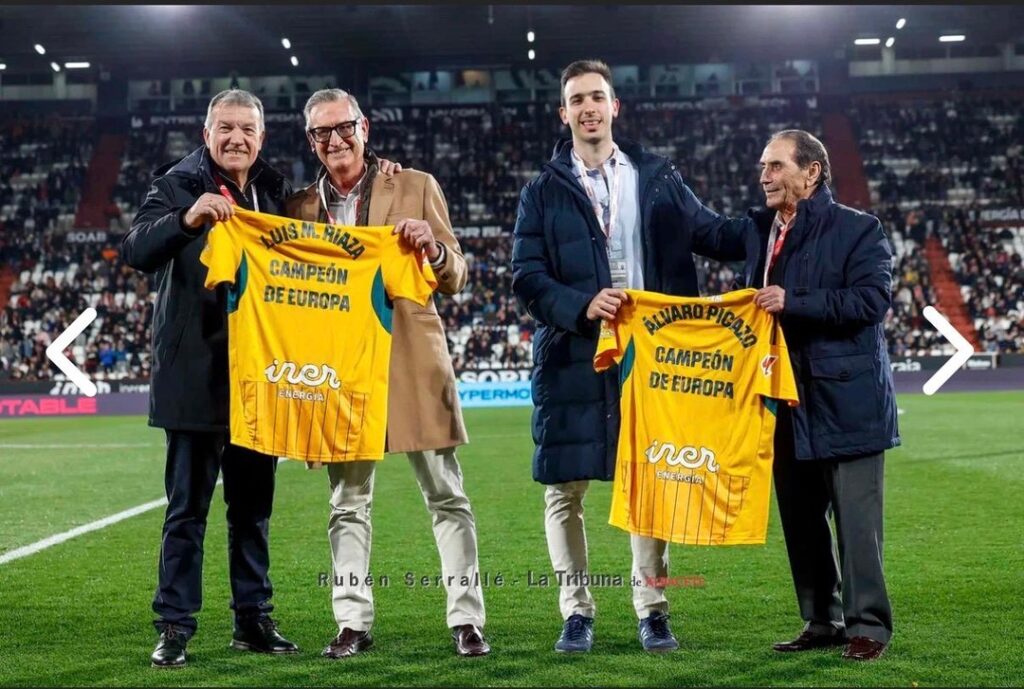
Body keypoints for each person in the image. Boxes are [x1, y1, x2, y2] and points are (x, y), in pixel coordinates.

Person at [511, 59, 752, 654]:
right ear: (563, 113)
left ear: (614, 106)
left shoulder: (658, 176)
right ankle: (576, 611)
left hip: (651, 356)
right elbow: (526, 278)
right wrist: (581, 304)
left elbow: (716, 234)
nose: (588, 108)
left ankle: (653, 608)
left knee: (652, 482)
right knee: (563, 488)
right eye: (577, 99)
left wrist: (778, 218)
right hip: (572, 353)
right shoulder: (541, 191)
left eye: (597, 96)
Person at [283, 88, 490, 659]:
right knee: (347, 502)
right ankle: (352, 621)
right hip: (341, 370)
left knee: (446, 493)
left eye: (343, 127)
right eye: (322, 132)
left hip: (411, 359)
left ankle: (467, 618)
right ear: (311, 141)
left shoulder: (416, 185)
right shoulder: (298, 207)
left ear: (364, 127)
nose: (335, 140)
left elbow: (457, 275)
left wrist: (435, 251)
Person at [122, 89, 299, 668]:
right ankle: (175, 625)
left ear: (261, 137)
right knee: (187, 511)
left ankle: (253, 619)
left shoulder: (276, 190)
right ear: (207, 134)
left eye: (247, 129)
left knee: (252, 510)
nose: (236, 138)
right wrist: (185, 218)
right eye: (225, 127)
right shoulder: (176, 184)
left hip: (258, 376)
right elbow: (136, 249)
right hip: (194, 373)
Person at [749, 129, 900, 662]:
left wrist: (794, 300)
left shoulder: (859, 229)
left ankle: (868, 627)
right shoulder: (765, 232)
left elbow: (871, 301)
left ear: (811, 172)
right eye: (762, 167)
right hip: (788, 402)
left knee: (857, 526)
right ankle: (822, 620)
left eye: (775, 166)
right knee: (801, 520)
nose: (764, 176)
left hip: (849, 402)